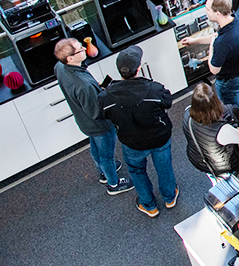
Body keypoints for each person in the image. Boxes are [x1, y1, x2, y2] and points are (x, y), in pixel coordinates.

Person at [99, 45, 177, 218]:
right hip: (159, 138)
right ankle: (170, 197)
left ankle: (149, 205)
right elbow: (168, 101)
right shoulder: (154, 89)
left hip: (131, 142)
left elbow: (103, 114)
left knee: (137, 170)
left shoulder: (106, 96)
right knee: (164, 166)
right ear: (139, 68)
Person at [180, 0, 239, 159]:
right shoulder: (238, 20)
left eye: (207, 9)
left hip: (229, 82)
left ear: (217, 13)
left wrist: (212, 48)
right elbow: (217, 36)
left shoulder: (222, 42)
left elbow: (214, 69)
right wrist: (195, 41)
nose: (205, 12)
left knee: (237, 115)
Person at [54, 38, 133, 196]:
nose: (84, 49)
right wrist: (107, 96)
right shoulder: (83, 85)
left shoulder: (60, 67)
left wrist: (96, 89)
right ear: (70, 58)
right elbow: (97, 112)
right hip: (100, 126)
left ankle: (103, 172)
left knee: (95, 148)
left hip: (84, 121)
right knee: (107, 155)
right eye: (80, 49)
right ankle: (114, 183)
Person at [182, 82, 239, 182]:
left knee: (217, 185)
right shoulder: (222, 129)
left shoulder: (187, 114)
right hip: (224, 167)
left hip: (202, 162)